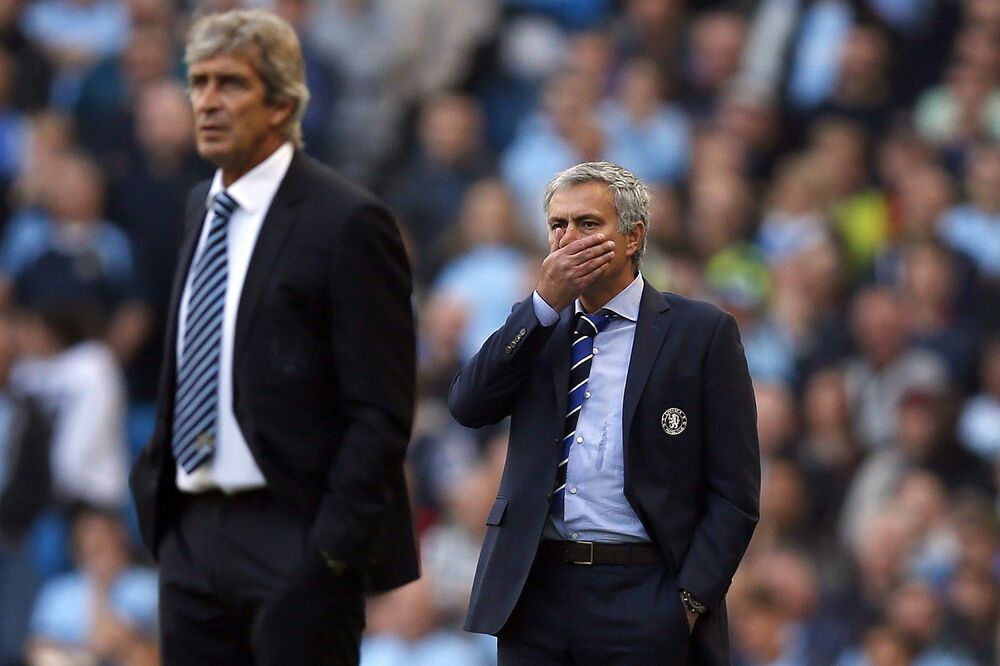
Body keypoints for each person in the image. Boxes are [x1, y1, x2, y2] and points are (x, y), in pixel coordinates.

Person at [129, 9, 417, 665]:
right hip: (193, 536)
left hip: (294, 535)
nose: (206, 102)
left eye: (229, 83)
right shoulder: (200, 205)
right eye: (197, 82)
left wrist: (328, 550)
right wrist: (164, 518)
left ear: (284, 101)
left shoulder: (349, 220)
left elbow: (380, 409)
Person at [450, 161, 760, 664]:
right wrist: (542, 306)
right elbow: (467, 404)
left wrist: (688, 602)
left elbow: (735, 493)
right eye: (558, 226)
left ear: (634, 237)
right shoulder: (536, 325)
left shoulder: (700, 333)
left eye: (588, 224)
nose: (569, 239)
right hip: (537, 589)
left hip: (643, 589)